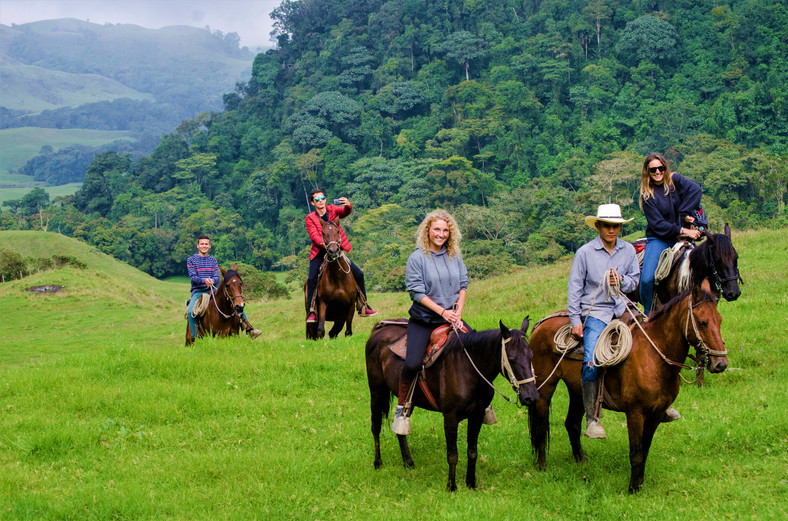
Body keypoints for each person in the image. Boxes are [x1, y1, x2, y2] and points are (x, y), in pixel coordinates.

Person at [391, 210, 470, 436]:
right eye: (437, 229)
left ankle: (482, 403)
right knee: (413, 363)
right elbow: (416, 292)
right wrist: (443, 312)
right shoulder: (417, 258)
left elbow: (463, 284)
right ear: (427, 230)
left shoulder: (454, 255)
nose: (441, 234)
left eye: (445, 230)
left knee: (477, 351)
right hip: (425, 319)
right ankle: (402, 408)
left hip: (453, 317)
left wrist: (458, 312)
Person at [568, 204, 640, 439]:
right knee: (591, 360)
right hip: (596, 311)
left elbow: (634, 282)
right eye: (607, 226)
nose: (612, 230)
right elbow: (575, 289)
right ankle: (592, 418)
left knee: (648, 341)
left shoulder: (628, 250)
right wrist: (575, 320)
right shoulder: (585, 253)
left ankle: (658, 400)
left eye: (616, 226)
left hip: (622, 308)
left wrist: (620, 279)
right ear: (598, 226)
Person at [639, 153, 703, 316]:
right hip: (659, 238)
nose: (658, 172)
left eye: (661, 168)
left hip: (681, 238)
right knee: (647, 279)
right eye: (653, 170)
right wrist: (684, 230)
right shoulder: (647, 195)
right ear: (647, 172)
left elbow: (696, 190)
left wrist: (685, 212)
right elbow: (658, 224)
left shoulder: (675, 181)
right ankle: (648, 314)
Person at [304, 189, 376, 322]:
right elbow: (314, 236)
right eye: (317, 200)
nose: (321, 201)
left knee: (359, 274)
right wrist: (328, 245)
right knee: (312, 279)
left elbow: (344, 212)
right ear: (313, 203)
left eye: (323, 198)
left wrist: (348, 205)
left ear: (325, 199)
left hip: (337, 251)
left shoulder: (332, 209)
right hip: (320, 252)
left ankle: (363, 306)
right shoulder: (310, 218)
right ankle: (311, 311)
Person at [186, 234, 261, 340]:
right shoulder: (191, 260)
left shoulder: (213, 260)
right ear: (197, 246)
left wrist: (212, 281)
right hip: (198, 291)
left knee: (236, 303)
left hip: (214, 289)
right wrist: (204, 280)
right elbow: (193, 277)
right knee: (190, 312)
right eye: (202, 244)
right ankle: (194, 337)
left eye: (206, 244)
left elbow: (217, 276)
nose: (204, 246)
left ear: (209, 246)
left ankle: (249, 329)